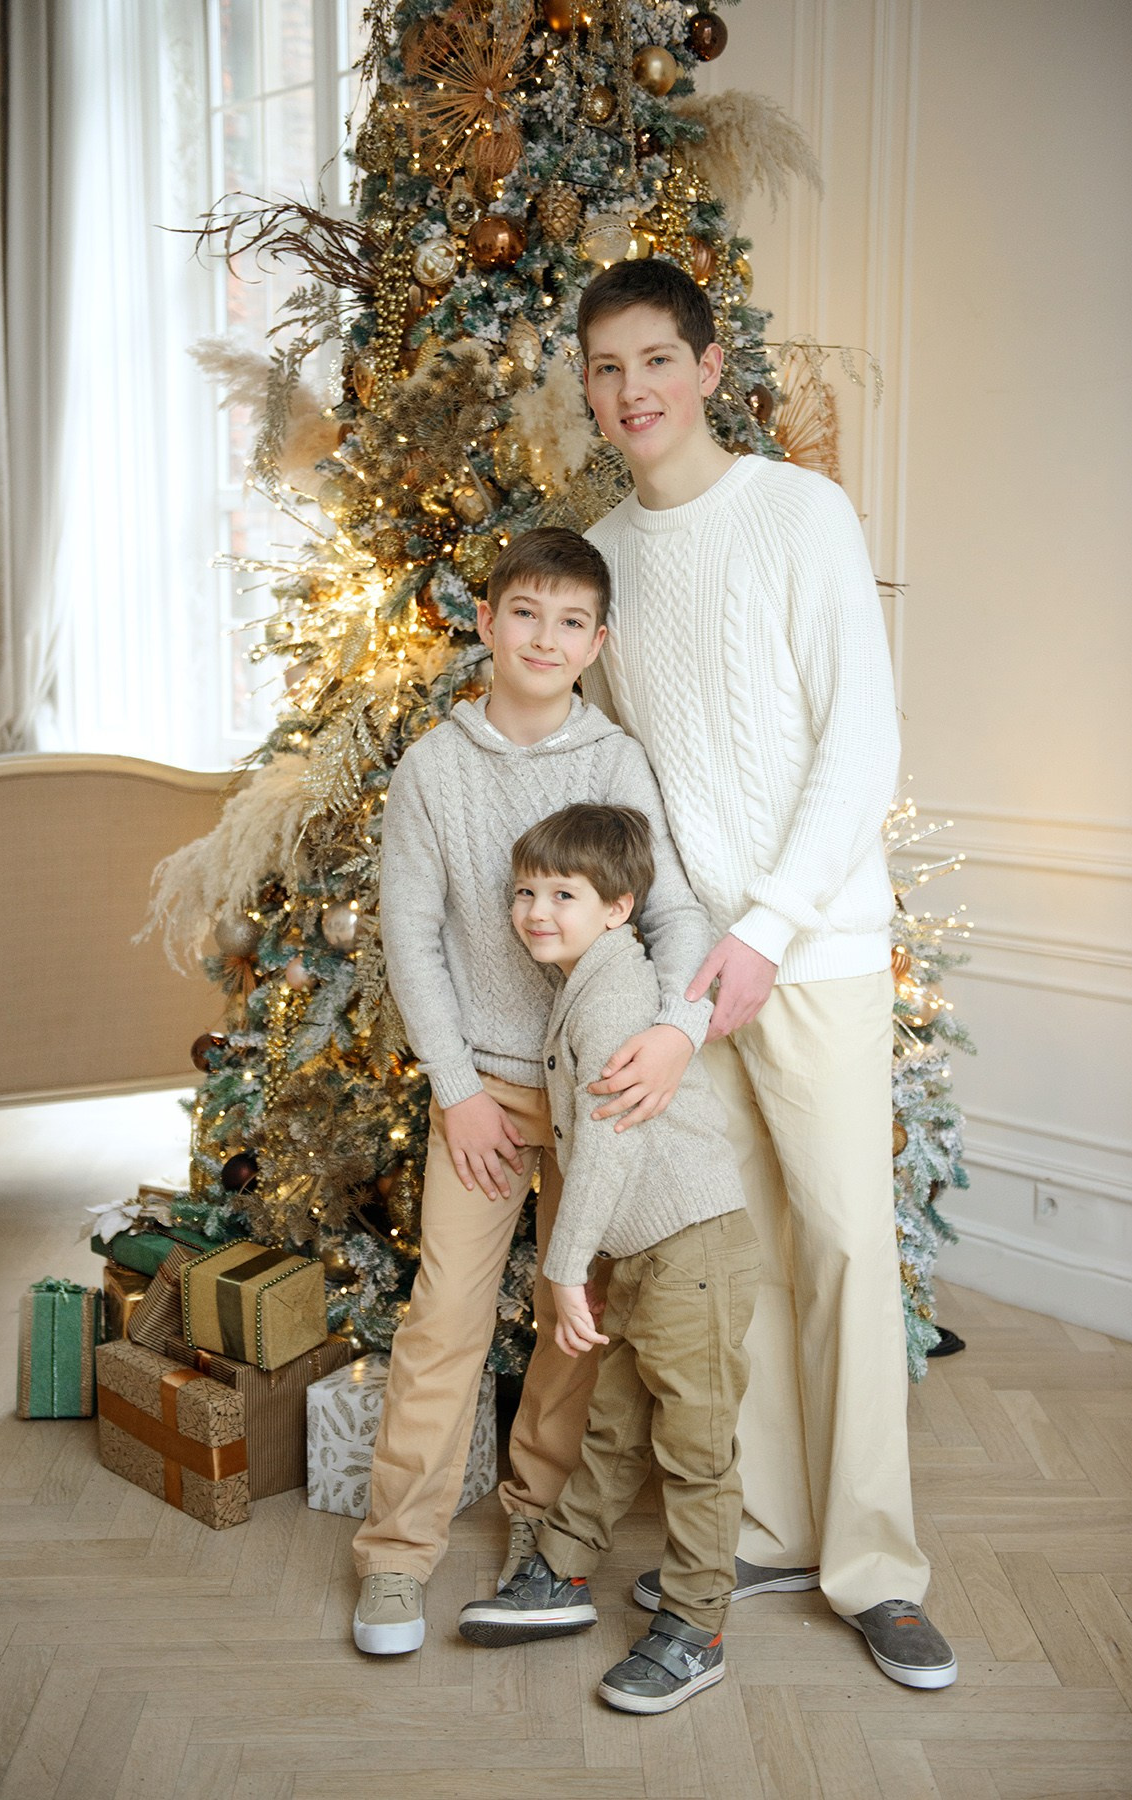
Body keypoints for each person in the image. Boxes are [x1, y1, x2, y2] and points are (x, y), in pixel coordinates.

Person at [572, 257, 957, 1690]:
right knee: (729, 1259)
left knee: (847, 1240)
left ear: (708, 362)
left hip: (815, 948)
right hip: (694, 972)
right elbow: (643, 791)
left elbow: (860, 743)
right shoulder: (606, 556)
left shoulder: (801, 513)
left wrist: (769, 928)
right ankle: (773, 1522)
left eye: (655, 360)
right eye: (605, 369)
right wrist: (685, 957)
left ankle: (874, 1565)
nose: (632, 393)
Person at [352, 527, 716, 1654]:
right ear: (485, 622)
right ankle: (395, 1558)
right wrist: (455, 1089)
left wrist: (677, 1031)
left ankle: (537, 1533)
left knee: (575, 1326)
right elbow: (411, 943)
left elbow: (676, 915)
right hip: (487, 1097)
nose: (545, 639)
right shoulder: (433, 768)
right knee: (446, 1318)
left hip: (599, 1092)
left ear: (597, 642)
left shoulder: (615, 760)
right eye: (525, 615)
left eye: (570, 623)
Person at [457, 804, 760, 1716]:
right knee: (615, 1424)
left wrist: (563, 1265)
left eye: (563, 894)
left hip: (691, 1247)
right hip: (644, 1251)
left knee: (693, 1448)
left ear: (619, 907)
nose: (535, 911)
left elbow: (612, 1143)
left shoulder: (618, 995)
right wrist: (592, 1260)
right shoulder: (587, 984)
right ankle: (562, 1570)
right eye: (524, 892)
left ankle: (697, 1626)